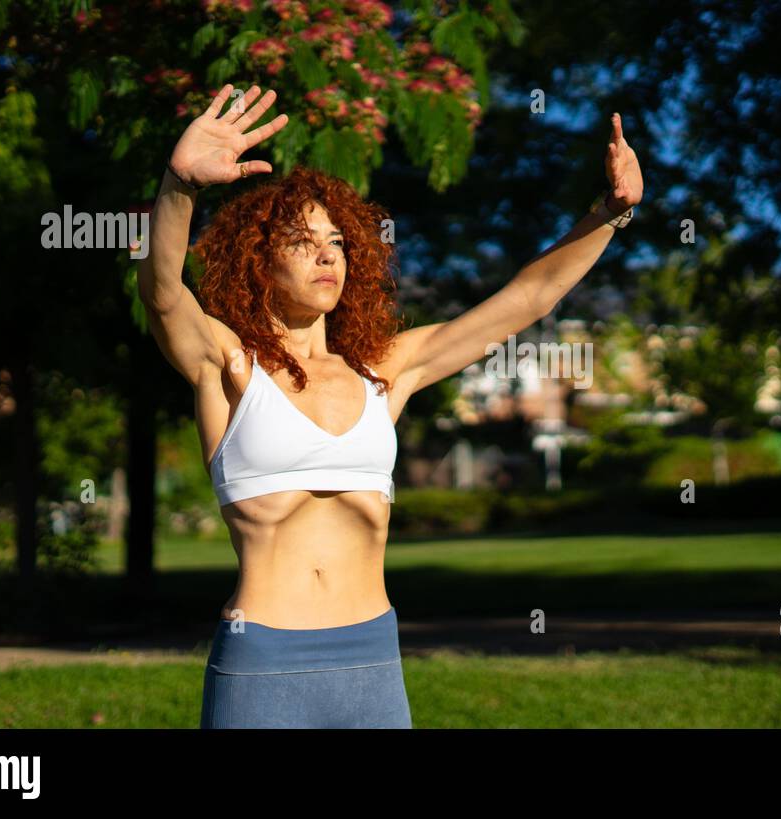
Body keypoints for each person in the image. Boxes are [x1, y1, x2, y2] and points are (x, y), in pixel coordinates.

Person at [137, 83, 643, 728]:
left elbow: (527, 300)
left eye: (338, 242)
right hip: (264, 660)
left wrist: (609, 213)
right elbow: (162, 295)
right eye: (301, 241)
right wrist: (180, 186)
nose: (327, 255)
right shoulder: (230, 366)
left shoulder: (385, 371)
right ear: (259, 262)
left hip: (372, 660)